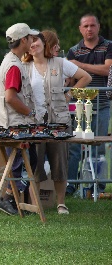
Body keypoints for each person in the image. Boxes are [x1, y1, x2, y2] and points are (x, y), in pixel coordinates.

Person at [22, 30, 92, 214]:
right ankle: (34, 204)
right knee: (35, 163)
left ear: (44, 45)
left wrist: (69, 95)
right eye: (29, 42)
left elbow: (86, 77)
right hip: (35, 122)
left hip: (59, 121)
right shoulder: (24, 67)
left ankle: (61, 203)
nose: (31, 45)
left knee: (59, 162)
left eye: (35, 41)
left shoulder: (61, 63)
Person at [0, 23, 39, 215]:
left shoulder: (11, 60)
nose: (32, 40)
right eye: (30, 37)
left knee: (22, 162)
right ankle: (6, 198)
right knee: (21, 162)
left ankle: (11, 199)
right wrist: (30, 113)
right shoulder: (14, 65)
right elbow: (11, 97)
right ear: (23, 40)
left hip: (12, 123)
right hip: (15, 124)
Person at [66, 14, 112, 195]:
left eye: (92, 25)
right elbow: (70, 76)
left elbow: (108, 69)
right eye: (85, 26)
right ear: (80, 28)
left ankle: (97, 186)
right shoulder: (73, 50)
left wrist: (79, 65)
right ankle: (70, 184)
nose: (89, 29)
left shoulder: (109, 46)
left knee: (99, 146)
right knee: (74, 146)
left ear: (98, 27)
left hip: (102, 105)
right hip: (79, 107)